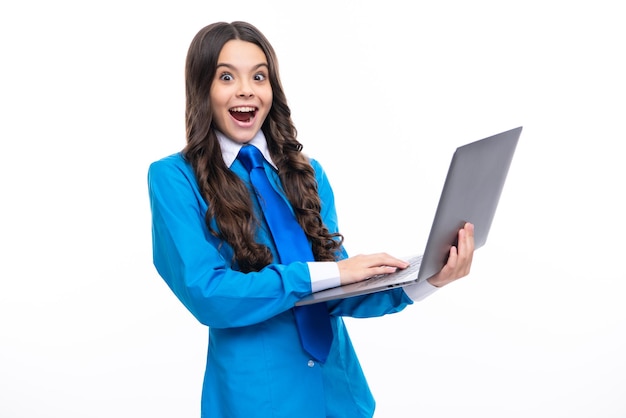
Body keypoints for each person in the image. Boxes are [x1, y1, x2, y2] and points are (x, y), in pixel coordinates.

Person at [147, 21, 475, 418]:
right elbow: (209, 294)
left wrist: (426, 280)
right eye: (227, 76)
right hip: (257, 402)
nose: (247, 89)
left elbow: (339, 291)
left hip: (339, 396)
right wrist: (325, 274)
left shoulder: (307, 173)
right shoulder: (174, 178)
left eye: (259, 76)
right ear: (203, 89)